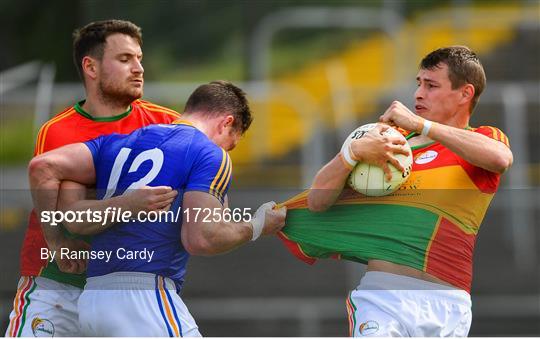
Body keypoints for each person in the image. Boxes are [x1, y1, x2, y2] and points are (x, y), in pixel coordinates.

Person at [279, 46, 513, 336]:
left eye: (431, 86)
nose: (418, 94)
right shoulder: (390, 142)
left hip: (448, 303)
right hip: (382, 299)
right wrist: (350, 154)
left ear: (465, 94)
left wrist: (422, 125)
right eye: (418, 84)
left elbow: (501, 159)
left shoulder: (483, 139)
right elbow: (317, 201)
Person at [28, 80, 288, 336]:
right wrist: (257, 225)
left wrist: (56, 240)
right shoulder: (209, 153)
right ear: (227, 123)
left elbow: (43, 166)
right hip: (143, 298)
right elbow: (201, 239)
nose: (226, 151)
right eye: (231, 143)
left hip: (92, 301)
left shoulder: (115, 143)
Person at [5, 19, 183, 337]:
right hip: (59, 284)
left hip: (131, 289)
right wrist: (56, 241)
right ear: (91, 66)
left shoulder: (168, 124)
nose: (138, 68)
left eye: (139, 58)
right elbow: (70, 217)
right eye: (125, 59)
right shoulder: (60, 131)